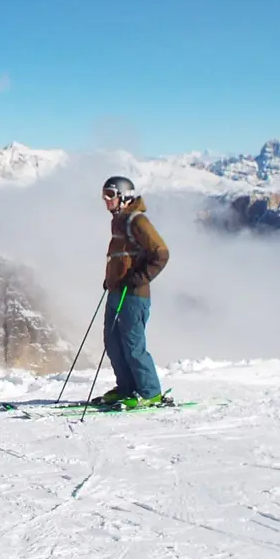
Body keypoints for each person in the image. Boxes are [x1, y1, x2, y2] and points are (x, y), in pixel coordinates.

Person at [91, 175, 174, 409]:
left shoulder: (137, 221)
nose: (106, 199)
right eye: (104, 195)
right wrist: (112, 279)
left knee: (132, 343)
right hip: (118, 291)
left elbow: (161, 253)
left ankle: (150, 392)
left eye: (110, 194)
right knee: (113, 341)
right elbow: (122, 257)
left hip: (134, 294)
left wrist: (138, 278)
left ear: (124, 196)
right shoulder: (119, 221)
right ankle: (127, 388)